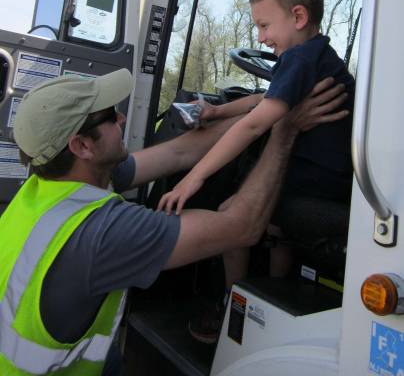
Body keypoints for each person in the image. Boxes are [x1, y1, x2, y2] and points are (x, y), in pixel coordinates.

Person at [0, 68, 347, 375]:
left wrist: (263, 113)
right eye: (109, 116)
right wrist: (285, 131)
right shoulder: (103, 232)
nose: (122, 119)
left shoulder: (45, 187)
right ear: (81, 146)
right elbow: (243, 226)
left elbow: (180, 152)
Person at [157, 0, 355, 343]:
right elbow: (263, 99)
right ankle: (275, 299)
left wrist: (193, 176)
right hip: (329, 180)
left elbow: (253, 125)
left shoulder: (299, 60)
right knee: (275, 228)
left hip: (313, 185)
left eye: (265, 26)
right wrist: (217, 111)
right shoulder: (315, 54)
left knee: (233, 211)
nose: (261, 37)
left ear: (298, 17)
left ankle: (235, 304)